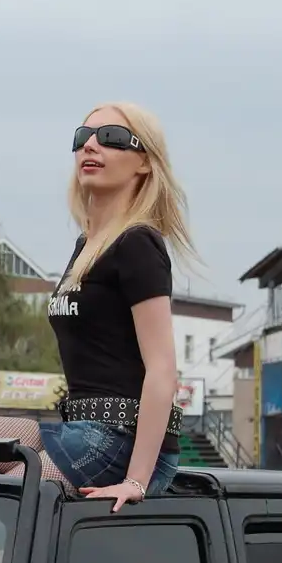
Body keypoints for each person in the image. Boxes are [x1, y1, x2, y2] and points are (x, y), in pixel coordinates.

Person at [41, 102, 195, 513]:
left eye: (111, 138)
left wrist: (136, 480)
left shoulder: (137, 243)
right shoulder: (86, 245)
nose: (90, 146)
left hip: (122, 444)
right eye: (83, 137)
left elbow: (163, 369)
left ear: (144, 162)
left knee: (13, 490)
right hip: (81, 432)